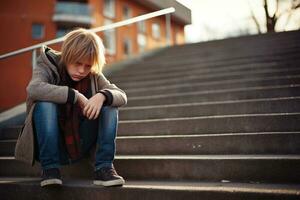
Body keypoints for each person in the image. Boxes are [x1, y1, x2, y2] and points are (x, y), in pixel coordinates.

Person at [14, 28, 127, 187]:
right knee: (45, 103)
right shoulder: (47, 63)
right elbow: (34, 89)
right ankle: (50, 169)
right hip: (51, 143)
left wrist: (102, 96)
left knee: (109, 104)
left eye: (87, 66)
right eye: (77, 63)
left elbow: (121, 95)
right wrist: (75, 96)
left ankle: (104, 168)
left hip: (81, 144)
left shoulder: (92, 74)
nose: (82, 70)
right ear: (67, 55)